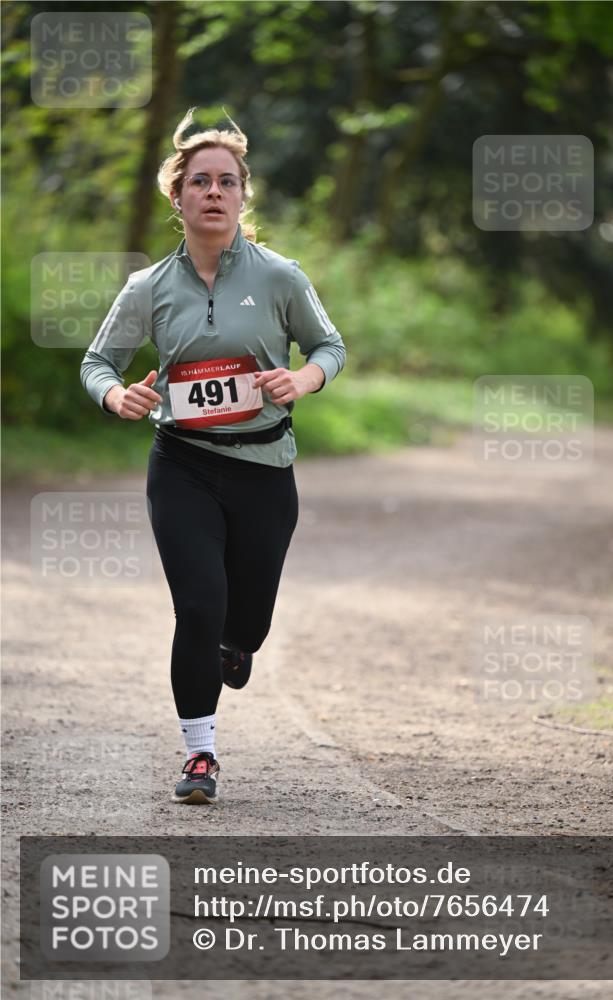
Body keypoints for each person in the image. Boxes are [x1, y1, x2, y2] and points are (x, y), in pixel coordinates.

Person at [80, 109, 346, 804]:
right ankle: (200, 755)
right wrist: (117, 399)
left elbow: (330, 347)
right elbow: (97, 362)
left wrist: (302, 379)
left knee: (244, 624)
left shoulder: (280, 276)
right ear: (177, 195)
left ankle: (235, 647)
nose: (214, 192)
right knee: (198, 607)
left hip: (264, 468)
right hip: (183, 464)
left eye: (227, 181)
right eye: (200, 181)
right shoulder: (149, 288)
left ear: (242, 195)